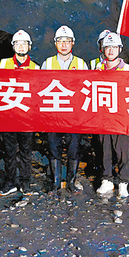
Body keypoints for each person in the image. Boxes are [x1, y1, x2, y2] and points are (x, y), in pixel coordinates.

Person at [42, 25, 89, 193]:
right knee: (53, 148)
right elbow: (40, 88)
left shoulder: (81, 64)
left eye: (67, 41)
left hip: (73, 116)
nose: (64, 45)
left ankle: (71, 181)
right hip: (53, 114)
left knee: (73, 149)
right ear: (55, 43)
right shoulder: (48, 63)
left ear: (73, 43)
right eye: (60, 41)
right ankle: (55, 183)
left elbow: (87, 89)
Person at [0, 30, 40, 196]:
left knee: (26, 152)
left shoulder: (35, 67)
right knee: (9, 152)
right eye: (17, 43)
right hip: (9, 115)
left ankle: (25, 181)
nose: (21, 46)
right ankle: (10, 181)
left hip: (26, 117)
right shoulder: (4, 63)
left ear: (29, 46)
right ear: (13, 46)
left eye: (24, 44)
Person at [93, 33, 129, 198]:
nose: (110, 50)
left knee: (122, 150)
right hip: (103, 116)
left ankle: (123, 182)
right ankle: (107, 179)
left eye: (114, 47)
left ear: (120, 49)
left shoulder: (128, 69)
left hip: (121, 117)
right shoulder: (97, 68)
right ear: (103, 49)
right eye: (107, 47)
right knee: (105, 149)